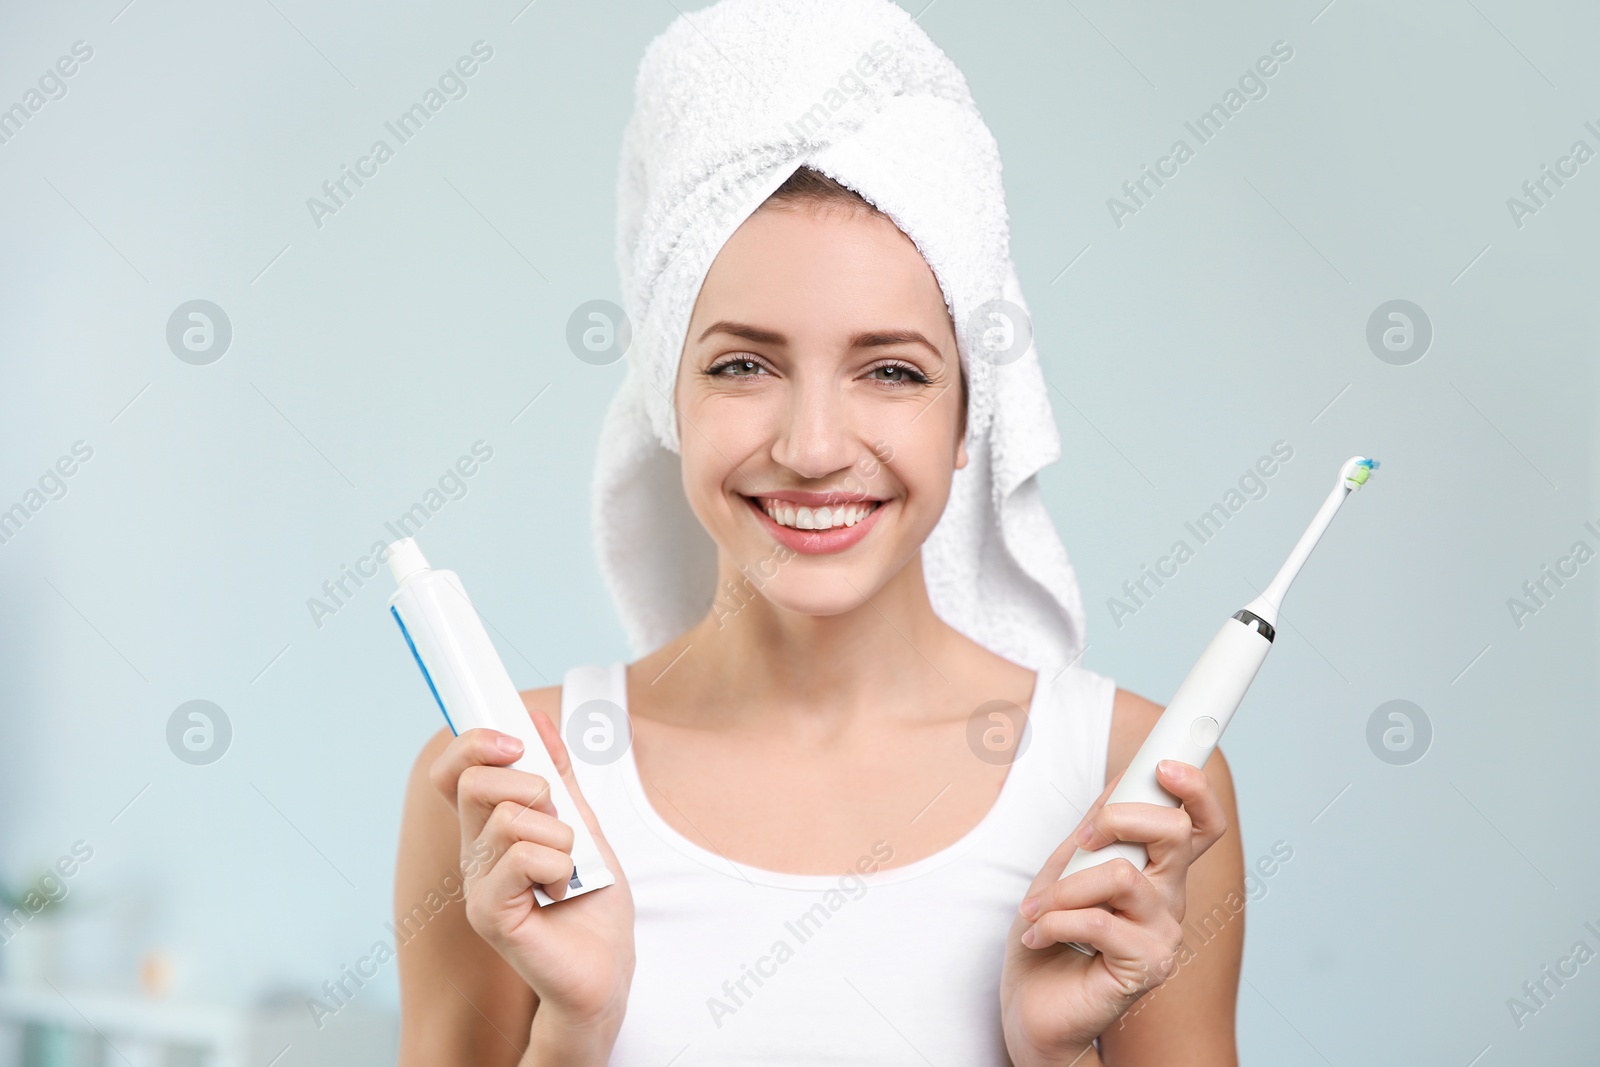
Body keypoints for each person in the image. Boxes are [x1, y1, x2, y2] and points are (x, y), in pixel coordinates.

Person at [395, 3, 1243, 1064]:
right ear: (667, 394)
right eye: (742, 364)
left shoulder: (1136, 788)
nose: (811, 445)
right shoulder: (509, 789)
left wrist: (1055, 1052)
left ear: (968, 413)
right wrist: (578, 1028)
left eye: (891, 370)